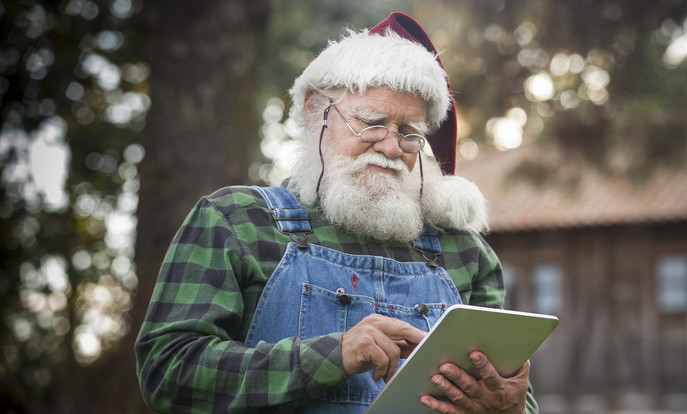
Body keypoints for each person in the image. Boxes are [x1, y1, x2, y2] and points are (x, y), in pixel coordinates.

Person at [135, 12, 538, 414]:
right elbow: (167, 371)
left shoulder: (465, 252)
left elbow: (517, 396)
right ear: (315, 111)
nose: (392, 147)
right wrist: (335, 354)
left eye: (409, 133)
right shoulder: (236, 221)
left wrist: (512, 410)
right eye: (373, 122)